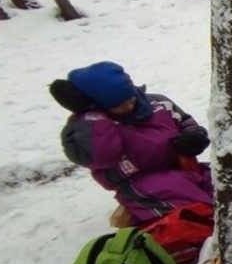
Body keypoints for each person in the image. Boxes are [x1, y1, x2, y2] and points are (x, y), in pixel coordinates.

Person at [50, 61, 213, 225]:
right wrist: (96, 119)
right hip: (139, 180)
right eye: (119, 106)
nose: (129, 106)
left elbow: (185, 122)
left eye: (130, 99)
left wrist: (195, 136)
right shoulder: (87, 128)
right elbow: (103, 155)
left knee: (223, 183)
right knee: (194, 209)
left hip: (183, 166)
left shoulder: (158, 103)